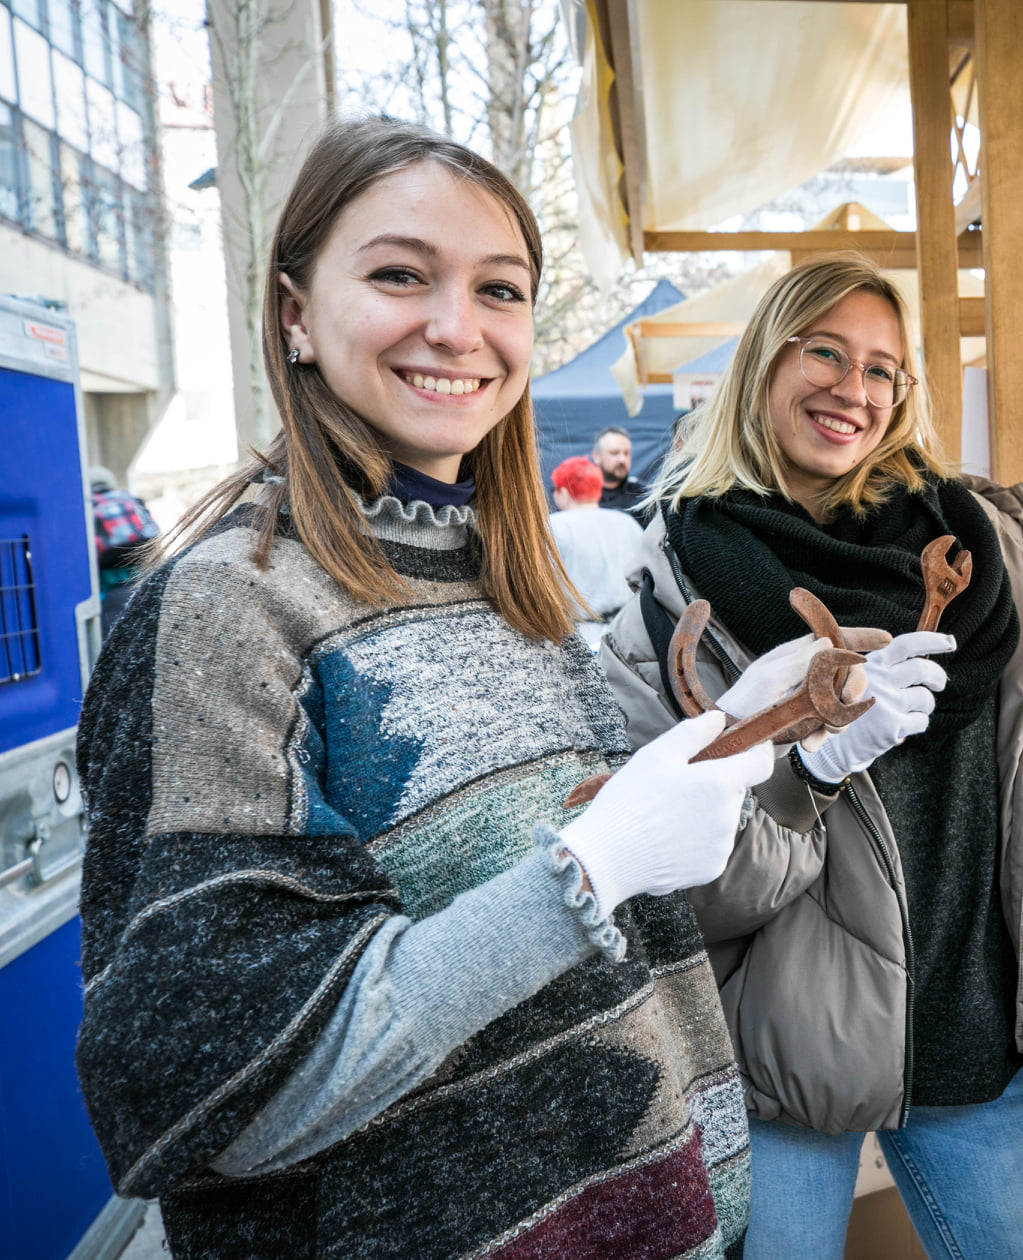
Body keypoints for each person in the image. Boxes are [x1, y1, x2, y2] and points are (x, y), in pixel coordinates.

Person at [71, 119, 826, 1260]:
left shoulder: (502, 576)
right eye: (398, 275)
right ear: (294, 314)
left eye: (501, 289)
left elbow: (573, 898)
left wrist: (766, 736)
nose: (457, 327)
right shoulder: (230, 606)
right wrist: (585, 872)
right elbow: (205, 1088)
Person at [599, 255, 1023, 1260]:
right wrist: (802, 773)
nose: (851, 390)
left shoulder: (990, 538)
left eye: (881, 369)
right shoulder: (673, 580)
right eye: (824, 351)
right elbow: (677, 888)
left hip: (985, 1035)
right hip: (782, 1068)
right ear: (765, 363)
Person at [549, 453, 643, 646]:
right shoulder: (626, 523)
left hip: (577, 641)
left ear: (564, 492)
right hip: (628, 639)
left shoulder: (553, 527)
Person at [87, 465, 162, 636]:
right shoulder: (129, 499)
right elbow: (153, 530)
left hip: (106, 565)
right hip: (138, 557)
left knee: (109, 611)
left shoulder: (87, 505)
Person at [591, 424, 644, 512]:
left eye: (626, 453)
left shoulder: (641, 495)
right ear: (596, 456)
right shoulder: (581, 494)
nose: (622, 459)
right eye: (614, 453)